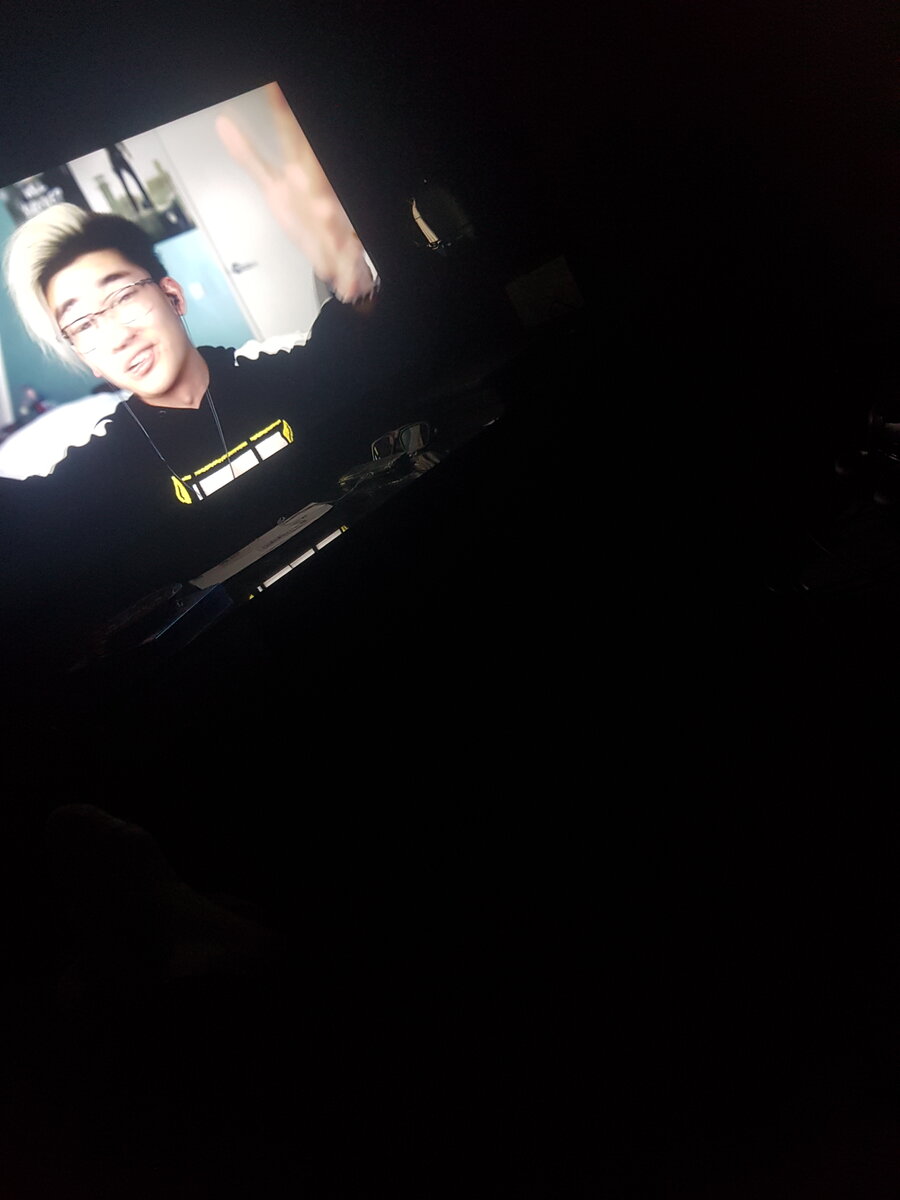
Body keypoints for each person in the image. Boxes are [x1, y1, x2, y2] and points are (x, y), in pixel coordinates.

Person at [0, 85, 403, 670]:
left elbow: (350, 358)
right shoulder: (102, 472)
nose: (116, 335)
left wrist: (358, 278)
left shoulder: (278, 379)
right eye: (83, 324)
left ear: (173, 296)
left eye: (122, 297)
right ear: (87, 359)